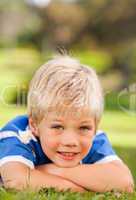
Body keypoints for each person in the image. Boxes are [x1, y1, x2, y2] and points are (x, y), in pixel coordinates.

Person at [0, 55, 134, 193]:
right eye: (57, 127)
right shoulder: (18, 134)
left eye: (83, 127)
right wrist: (83, 190)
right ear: (34, 126)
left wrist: (52, 170)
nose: (71, 141)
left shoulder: (95, 139)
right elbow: (17, 181)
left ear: (95, 127)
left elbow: (125, 183)